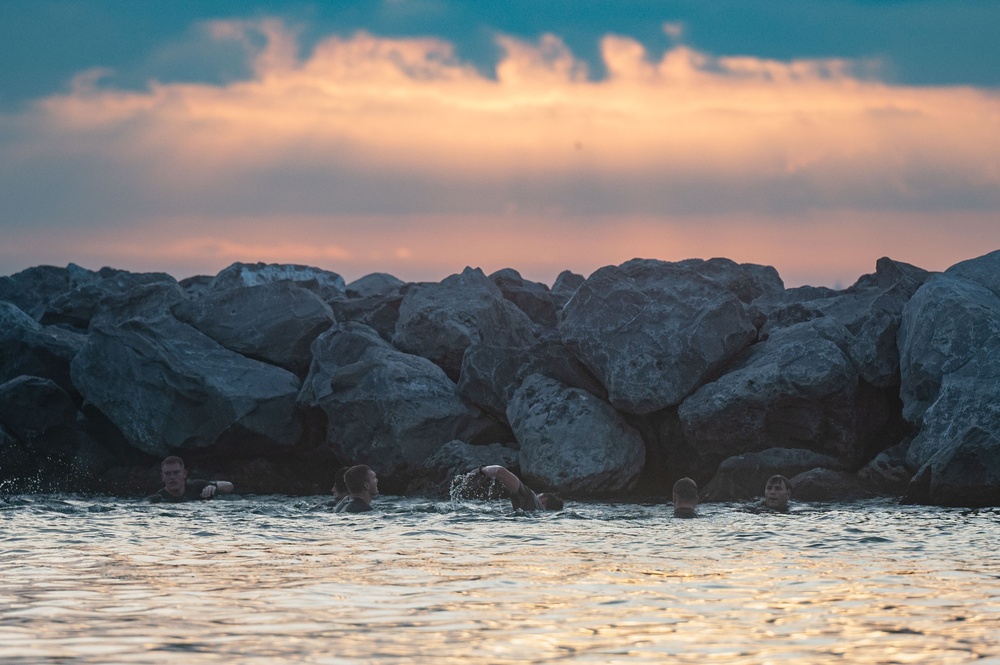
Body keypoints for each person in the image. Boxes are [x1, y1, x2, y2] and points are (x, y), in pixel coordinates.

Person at [471, 465, 563, 511]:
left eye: (538, 495)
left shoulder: (530, 497)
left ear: (544, 500)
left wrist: (480, 471)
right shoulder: (540, 515)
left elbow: (500, 470)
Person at [147, 456, 234, 503]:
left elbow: (229, 486)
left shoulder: (197, 486)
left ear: (184, 474)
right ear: (163, 477)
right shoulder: (158, 498)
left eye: (176, 472)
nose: (172, 477)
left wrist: (213, 486)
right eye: (168, 473)